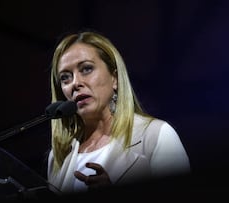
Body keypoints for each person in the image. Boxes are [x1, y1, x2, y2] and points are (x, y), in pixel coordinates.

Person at [46, 30, 191, 194]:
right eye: (65, 77)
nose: (75, 83)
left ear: (114, 78)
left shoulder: (156, 135)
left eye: (86, 69)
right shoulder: (58, 157)